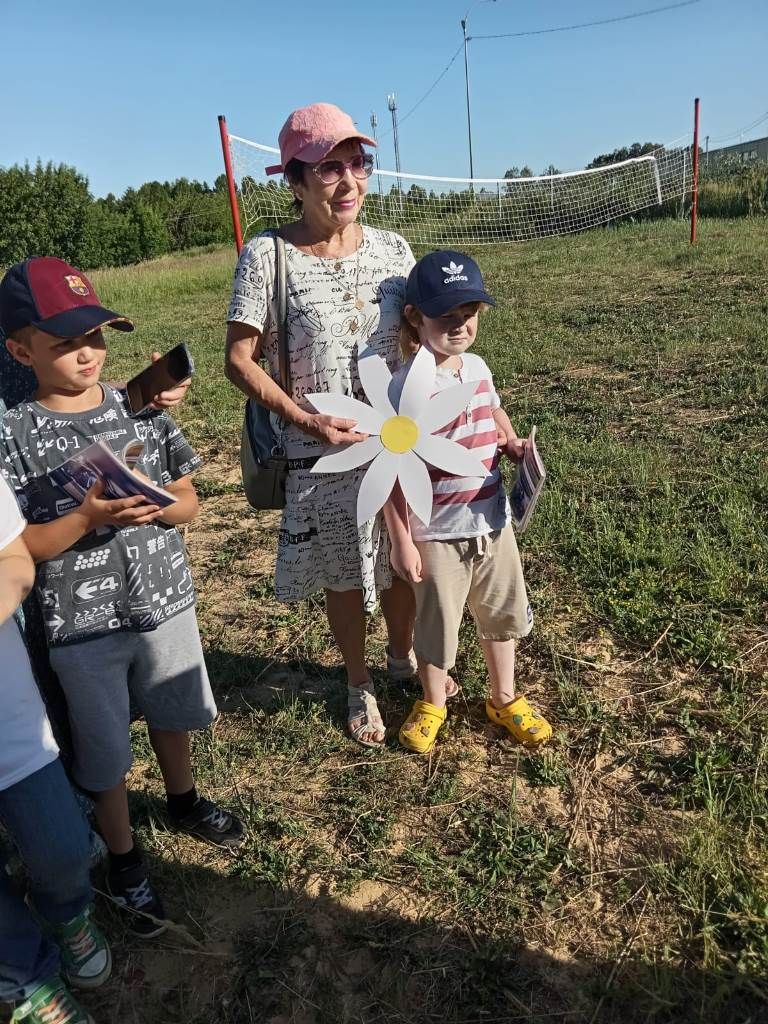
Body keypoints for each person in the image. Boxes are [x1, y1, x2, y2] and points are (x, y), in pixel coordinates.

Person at [0, 257, 244, 937]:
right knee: (104, 750)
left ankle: (184, 800)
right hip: (83, 625)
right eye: (65, 344)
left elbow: (191, 501)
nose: (87, 354)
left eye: (97, 337)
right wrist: (87, 519)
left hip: (163, 600)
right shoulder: (13, 433)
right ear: (20, 352)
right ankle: (125, 859)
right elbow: (23, 549)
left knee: (172, 711)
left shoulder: (136, 404)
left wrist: (159, 506)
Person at [225, 102, 417, 747]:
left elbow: (415, 343)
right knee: (342, 568)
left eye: (356, 164)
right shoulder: (268, 255)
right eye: (328, 168)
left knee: (402, 561)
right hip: (320, 449)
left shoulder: (394, 250)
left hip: (397, 444)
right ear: (297, 180)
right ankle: (358, 681)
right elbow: (238, 359)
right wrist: (304, 417)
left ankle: (401, 656)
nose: (347, 182)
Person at [383, 251, 553, 754]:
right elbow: (390, 469)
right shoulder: (405, 385)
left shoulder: (477, 367)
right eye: (446, 317)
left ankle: (503, 698)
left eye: (469, 315)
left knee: (501, 613)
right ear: (415, 317)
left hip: (492, 519)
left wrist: (512, 442)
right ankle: (434, 700)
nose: (459, 327)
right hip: (435, 531)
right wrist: (401, 542)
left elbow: (492, 412)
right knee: (437, 622)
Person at [0, 473, 109, 1024]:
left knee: (63, 850)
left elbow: (16, 562)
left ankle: (66, 915)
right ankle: (22, 978)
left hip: (9, 725)